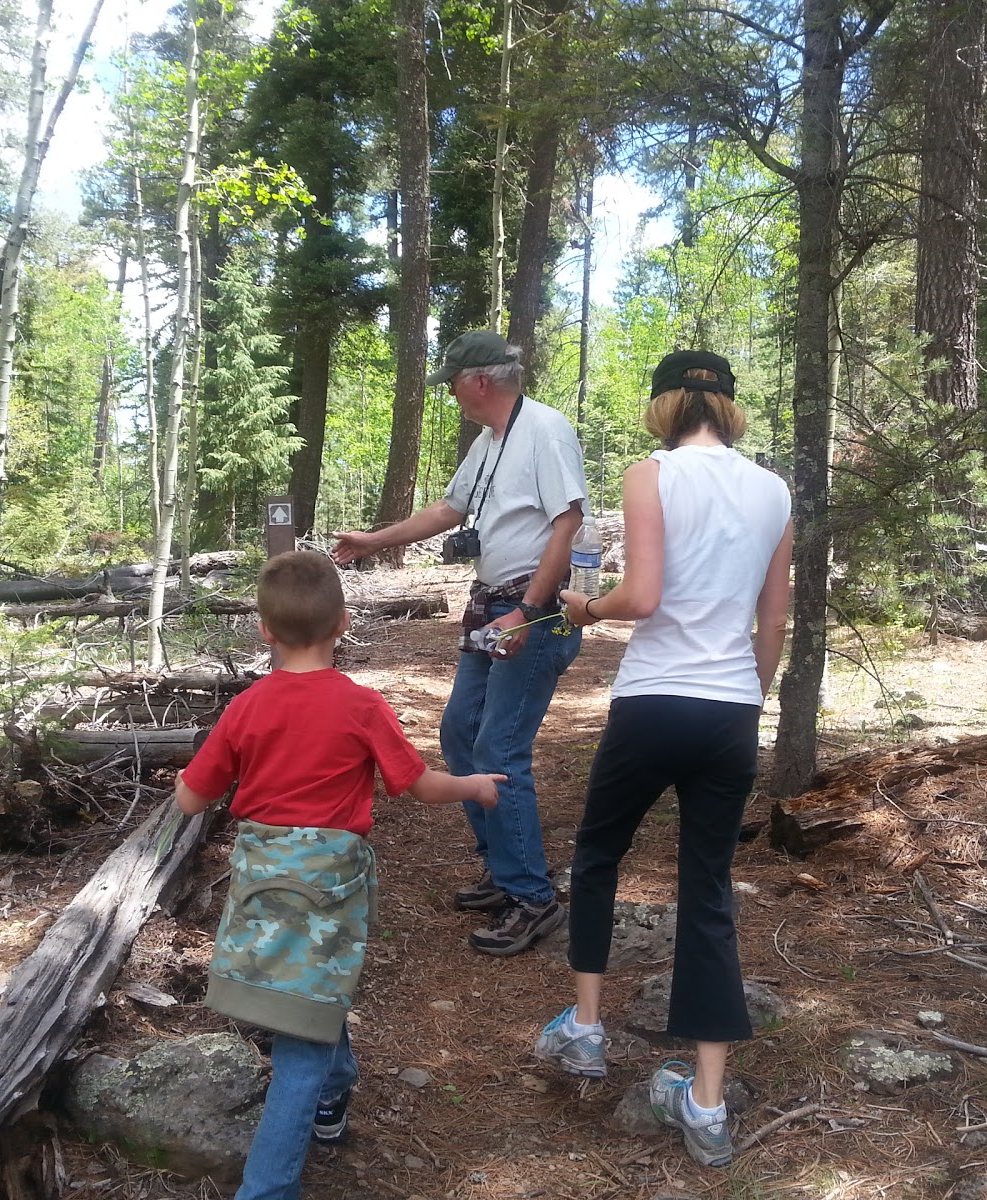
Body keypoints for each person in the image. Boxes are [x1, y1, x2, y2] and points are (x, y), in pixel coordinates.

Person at [531, 351, 794, 1169]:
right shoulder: (775, 490)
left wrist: (586, 607)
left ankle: (585, 1029)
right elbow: (773, 620)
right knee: (708, 891)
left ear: (668, 405)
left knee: (600, 853)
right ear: (727, 407)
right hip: (728, 711)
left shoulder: (650, 476)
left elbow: (640, 598)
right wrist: (746, 694)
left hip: (652, 701)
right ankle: (707, 1106)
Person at [174, 550, 504, 1200]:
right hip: (329, 883)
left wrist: (196, 780)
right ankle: (266, 1188)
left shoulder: (246, 709)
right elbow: (415, 783)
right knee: (306, 1019)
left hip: (263, 879)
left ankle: (330, 1094)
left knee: (297, 1002)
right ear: (344, 623)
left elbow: (192, 798)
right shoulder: (360, 706)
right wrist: (472, 785)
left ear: (265, 631)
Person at [332, 331, 588, 957]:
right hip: (491, 603)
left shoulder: (545, 431)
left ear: (478, 381)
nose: (450, 393)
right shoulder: (489, 439)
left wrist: (528, 613)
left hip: (531, 608)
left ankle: (533, 897)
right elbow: (450, 510)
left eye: (452, 382)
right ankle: (503, 869)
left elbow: (569, 526)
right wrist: (374, 539)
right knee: (457, 734)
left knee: (500, 744)